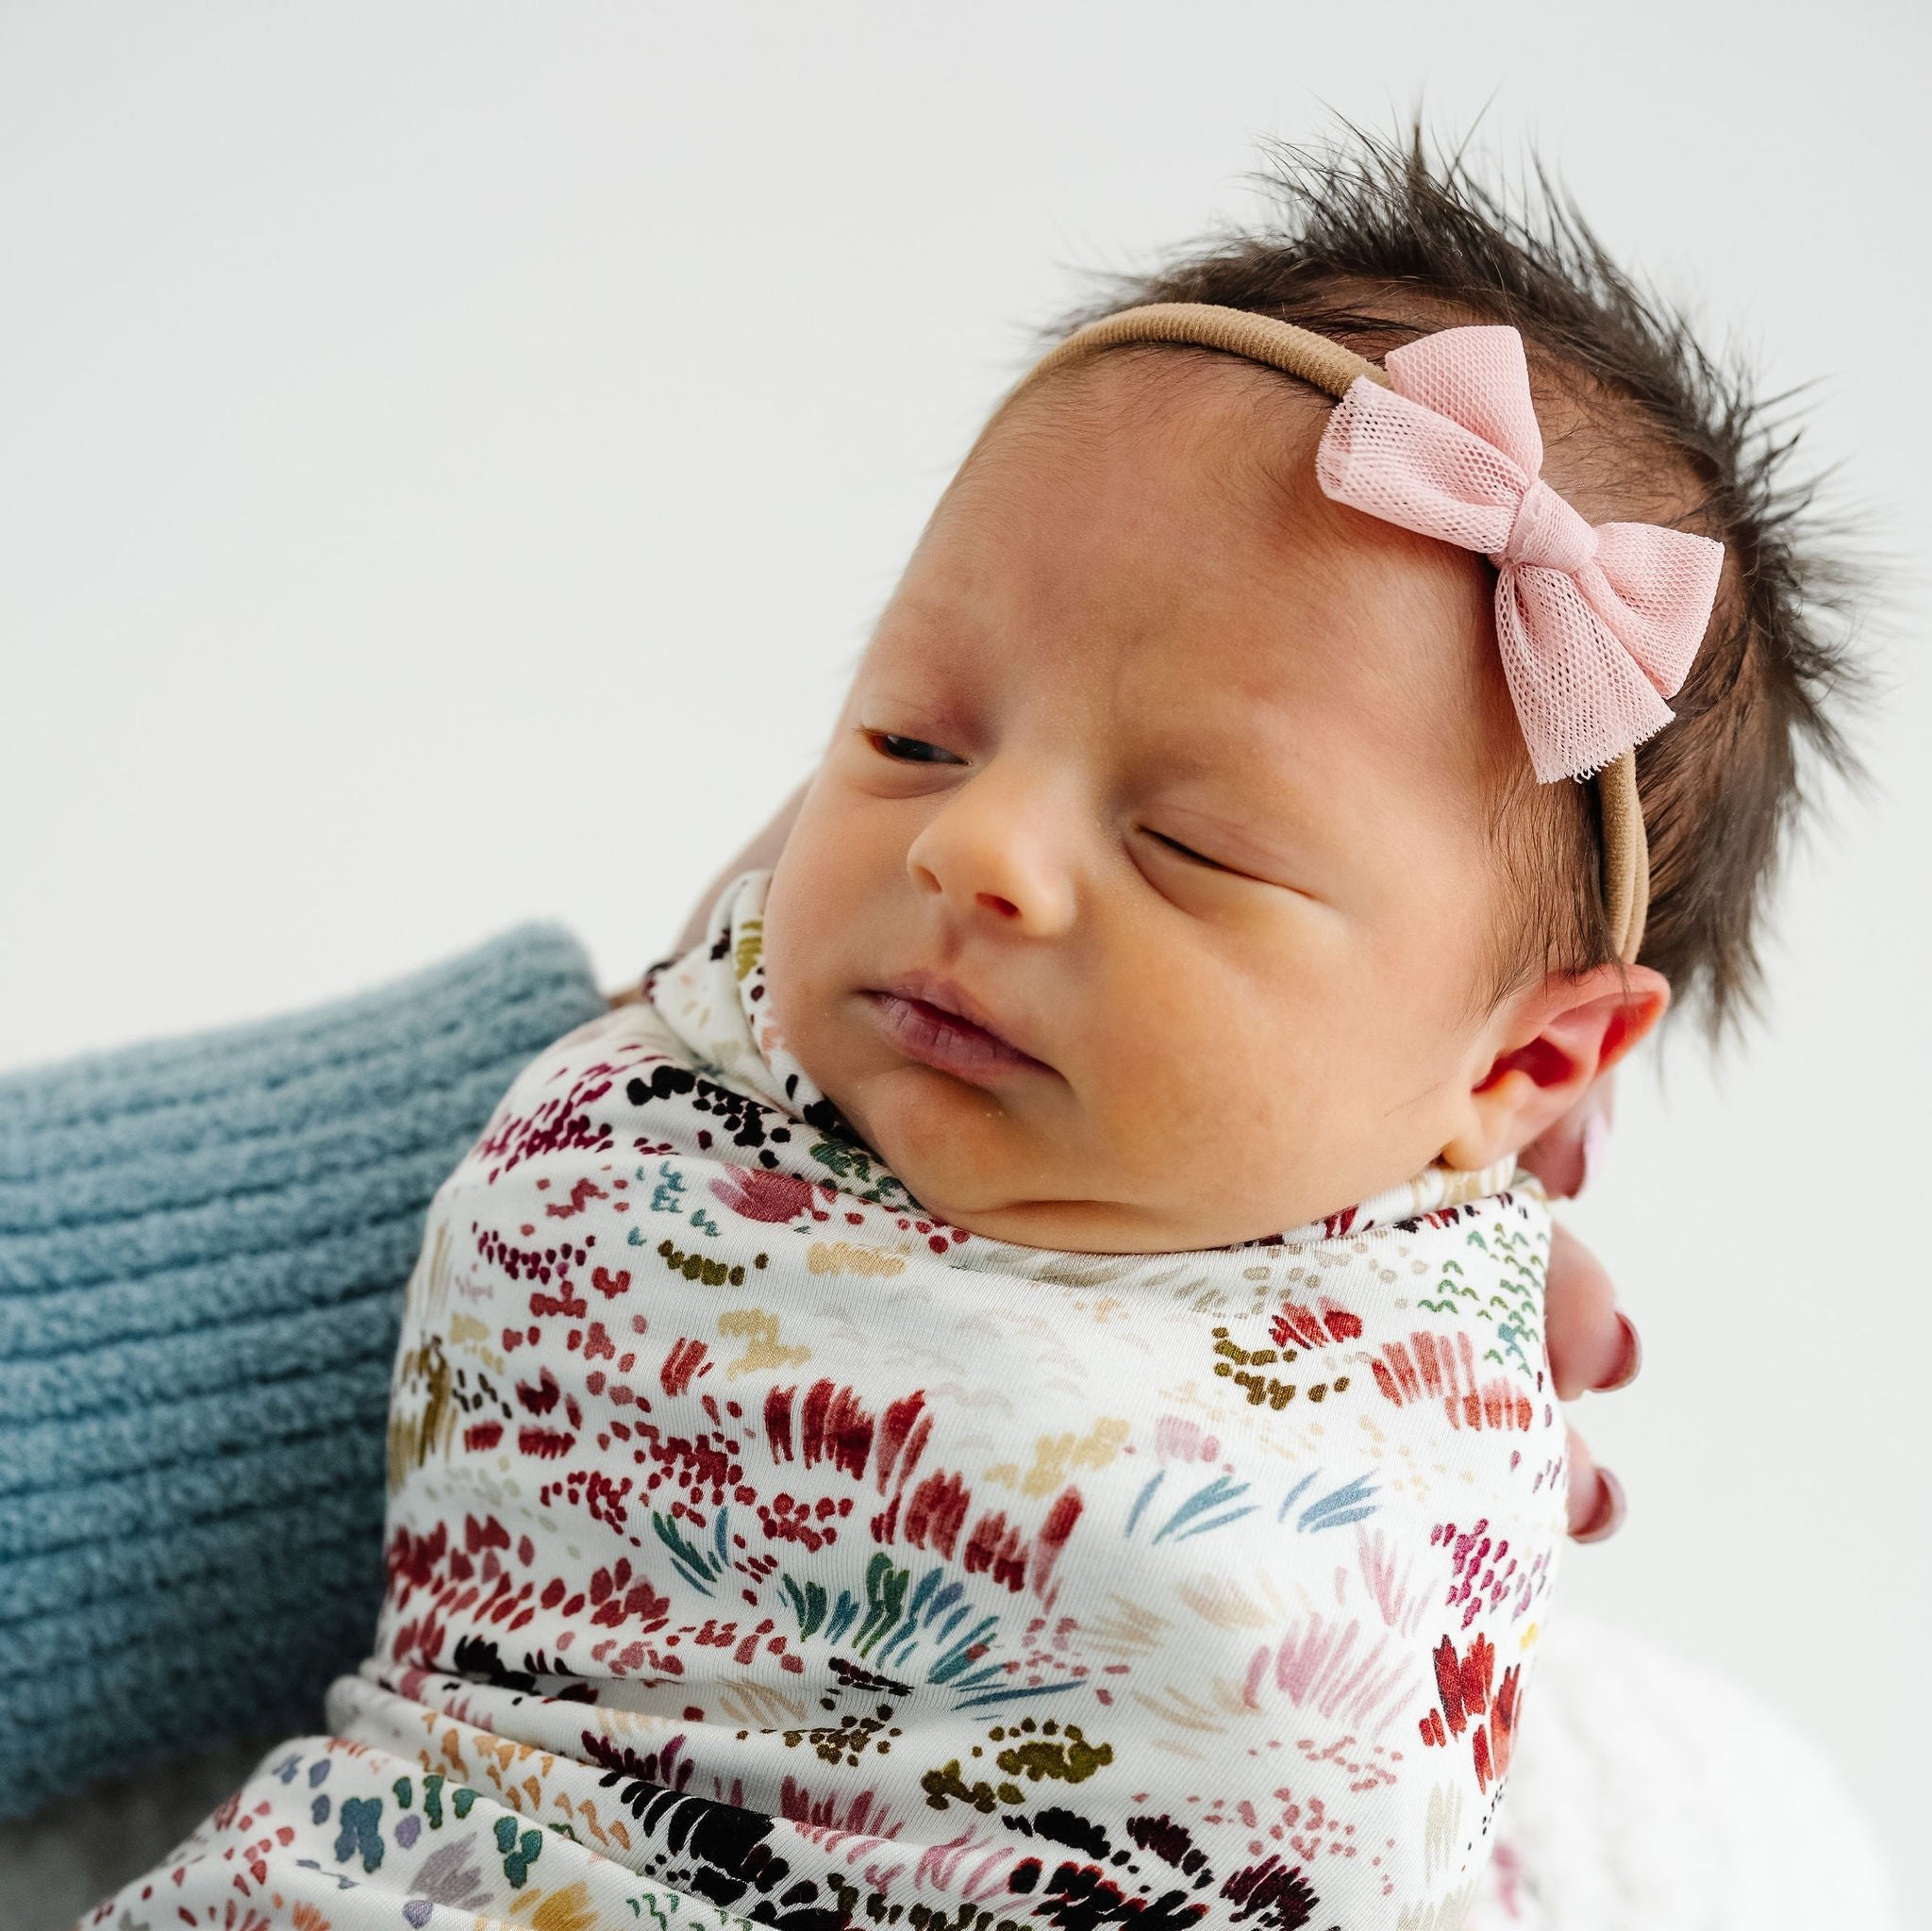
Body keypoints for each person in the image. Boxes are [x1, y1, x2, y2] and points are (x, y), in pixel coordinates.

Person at [83, 130, 1849, 1930]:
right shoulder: (718, 1044)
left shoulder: (1428, 1412)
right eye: (911, 739)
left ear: (1527, 1068)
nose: (973, 847)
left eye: (1191, 845)